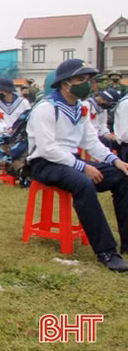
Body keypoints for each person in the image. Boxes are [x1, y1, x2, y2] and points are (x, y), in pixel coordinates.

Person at [27, 59, 128, 272]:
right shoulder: (46, 108)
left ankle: (126, 242)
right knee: (83, 183)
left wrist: (116, 161)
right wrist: (82, 167)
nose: (88, 85)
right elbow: (47, 149)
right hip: (45, 164)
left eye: (88, 80)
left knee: (122, 176)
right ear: (65, 84)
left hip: (70, 161)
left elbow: (91, 142)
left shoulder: (81, 108)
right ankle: (107, 251)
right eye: (81, 79)